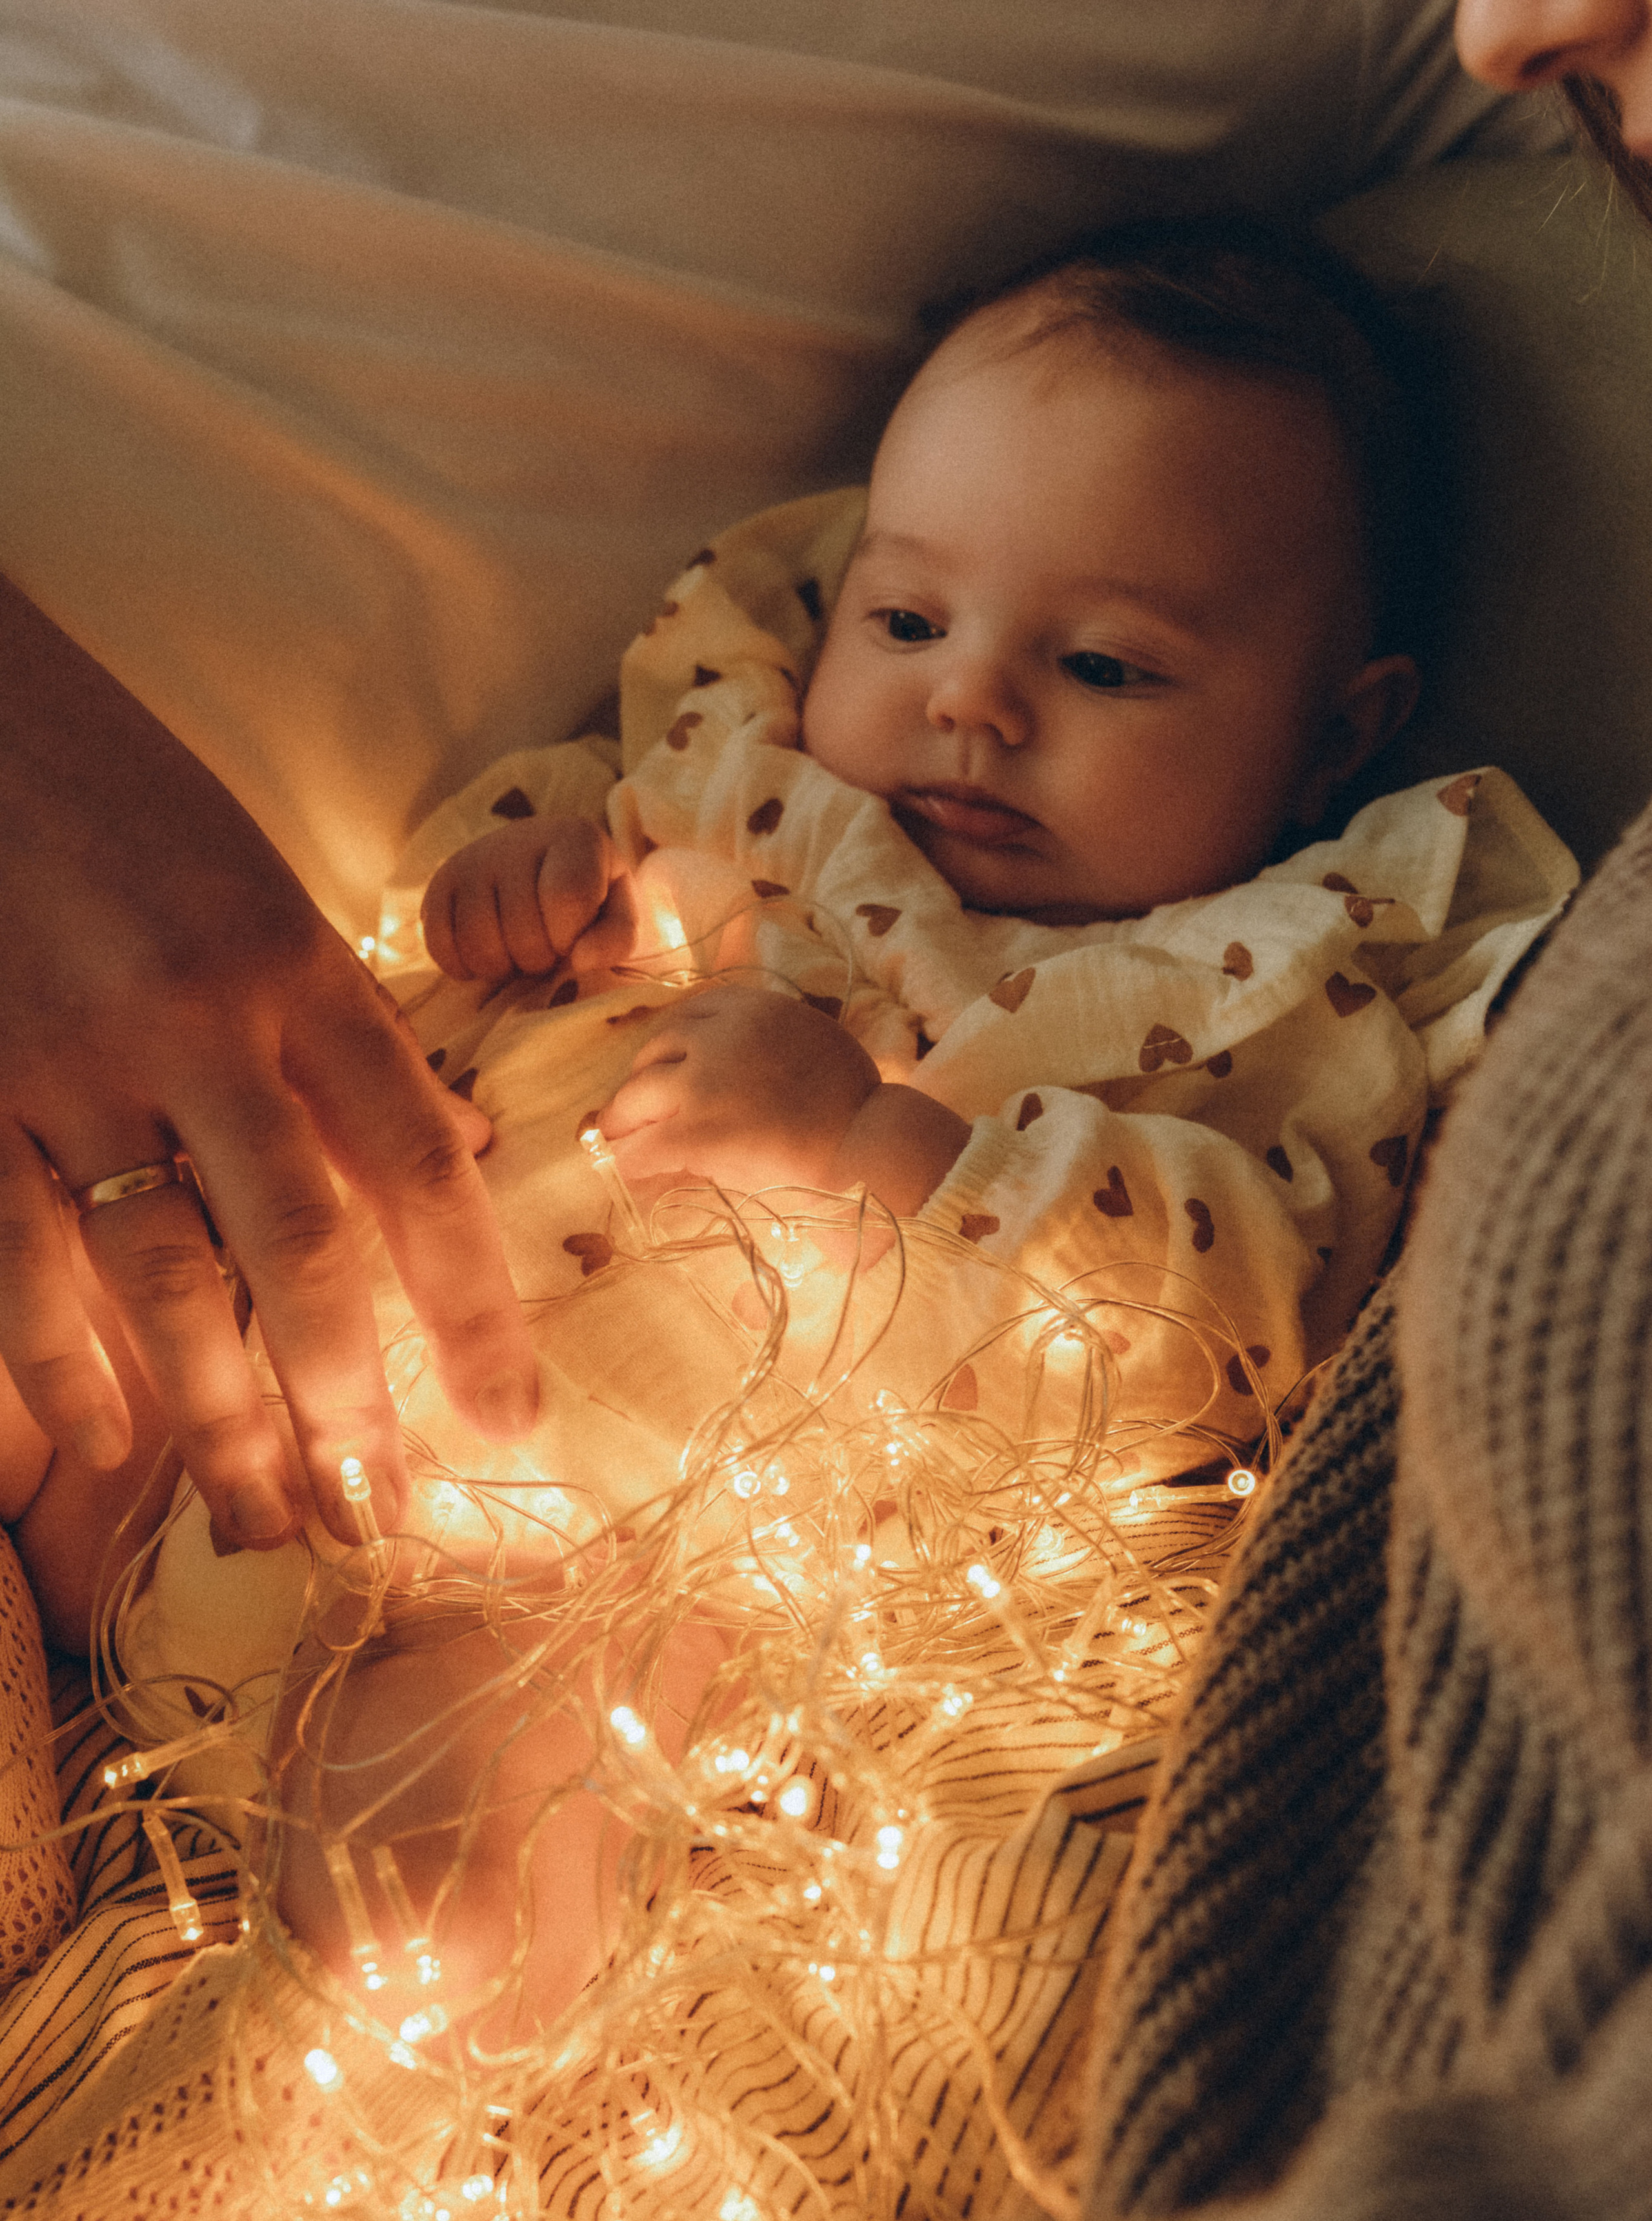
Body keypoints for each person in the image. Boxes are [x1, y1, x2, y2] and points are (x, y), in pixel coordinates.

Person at [0, 225, 1573, 2058]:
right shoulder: (735, 785)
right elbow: (446, 899)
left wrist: (878, 1145)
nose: (970, 701)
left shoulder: (1270, 1004)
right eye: (909, 622)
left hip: (569, 1566)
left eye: (1106, 667)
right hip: (241, 1391)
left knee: (457, 1805)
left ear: (1335, 735)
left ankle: (244, 2136)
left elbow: (1233, 1322)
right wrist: (501, 901)